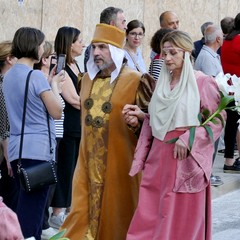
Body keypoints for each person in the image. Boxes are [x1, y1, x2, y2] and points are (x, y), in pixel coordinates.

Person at [126, 30, 224, 240]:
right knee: (150, 212)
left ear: (186, 53)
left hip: (185, 159)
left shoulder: (202, 82)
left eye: (173, 53)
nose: (167, 58)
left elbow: (217, 119)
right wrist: (143, 116)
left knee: (179, 216)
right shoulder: (162, 83)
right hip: (159, 157)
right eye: (164, 53)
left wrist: (189, 138)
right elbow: (163, 118)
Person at [61, 23, 155, 240]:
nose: (96, 53)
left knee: (119, 220)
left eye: (102, 47)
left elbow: (153, 126)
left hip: (120, 166)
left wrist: (138, 121)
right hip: (86, 167)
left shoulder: (135, 80)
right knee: (79, 220)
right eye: (94, 47)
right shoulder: (85, 80)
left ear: (115, 51)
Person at [3, 27, 64, 240]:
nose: (42, 49)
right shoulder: (36, 76)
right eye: (41, 44)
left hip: (17, 149)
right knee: (33, 213)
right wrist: (54, 85)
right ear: (32, 45)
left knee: (25, 207)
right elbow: (57, 111)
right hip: (39, 151)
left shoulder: (8, 77)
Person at [50, 26, 84, 229]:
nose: (83, 44)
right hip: (69, 126)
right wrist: (93, 104)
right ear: (70, 43)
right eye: (79, 40)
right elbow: (73, 99)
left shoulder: (76, 65)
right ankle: (57, 212)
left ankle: (68, 208)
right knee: (65, 168)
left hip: (77, 125)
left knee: (73, 169)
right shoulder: (61, 67)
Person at [33, 41, 60, 239]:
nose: (54, 61)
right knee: (42, 184)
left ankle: (40, 225)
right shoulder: (40, 79)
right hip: (44, 140)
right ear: (44, 59)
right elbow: (57, 109)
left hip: (49, 138)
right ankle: (40, 225)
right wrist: (55, 85)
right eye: (52, 57)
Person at [194, 24, 224, 187]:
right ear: (218, 39)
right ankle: (207, 172)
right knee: (210, 142)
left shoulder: (212, 54)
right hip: (209, 108)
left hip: (215, 107)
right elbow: (210, 83)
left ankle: (209, 171)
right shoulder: (206, 56)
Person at [0, 41, 18, 212]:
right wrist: (8, 156)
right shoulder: (4, 84)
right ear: (9, 59)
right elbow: (5, 125)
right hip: (6, 149)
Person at [221, 13, 240, 173]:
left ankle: (229, 160)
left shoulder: (227, 40)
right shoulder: (238, 40)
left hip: (228, 88)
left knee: (232, 125)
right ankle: (232, 160)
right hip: (237, 88)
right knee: (236, 126)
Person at [84, 6, 127, 71]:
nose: (125, 27)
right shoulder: (91, 50)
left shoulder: (119, 45)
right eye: (123, 22)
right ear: (112, 24)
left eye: (101, 47)